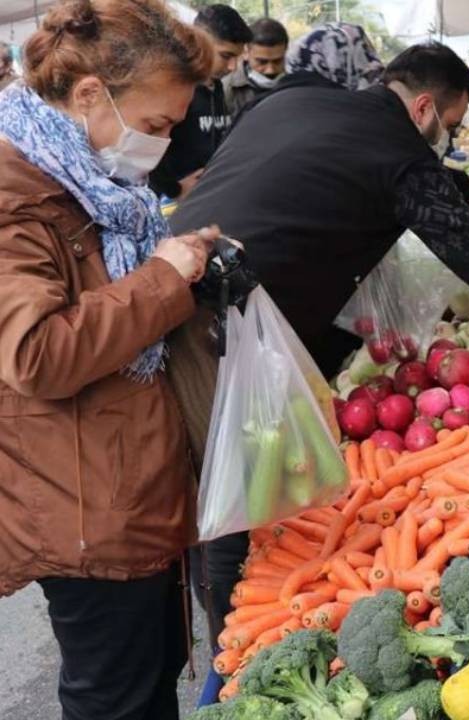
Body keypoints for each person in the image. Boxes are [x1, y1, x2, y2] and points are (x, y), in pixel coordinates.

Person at [170, 43, 469, 647]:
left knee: (202, 481)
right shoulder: (397, 151)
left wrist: (452, 183)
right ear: (423, 108)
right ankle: (232, 650)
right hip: (221, 321)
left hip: (169, 278)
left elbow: (319, 170)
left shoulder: (298, 98)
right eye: (452, 125)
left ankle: (223, 619)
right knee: (236, 488)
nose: (448, 138)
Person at [0, 0, 222, 717]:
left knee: (148, 682)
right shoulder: (17, 193)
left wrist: (190, 270)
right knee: (116, 697)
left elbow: (110, 293)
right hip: (83, 503)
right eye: (155, 126)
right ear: (91, 94)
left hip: (129, 484)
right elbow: (36, 353)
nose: (160, 145)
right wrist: (164, 278)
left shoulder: (92, 180)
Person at [148, 3, 249, 200]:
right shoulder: (172, 87)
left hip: (207, 197)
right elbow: (145, 148)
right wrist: (174, 189)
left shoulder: (217, 87)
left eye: (237, 57)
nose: (233, 67)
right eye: (226, 56)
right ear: (198, 40)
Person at [223, 17, 288, 117]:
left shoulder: (296, 85)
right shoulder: (228, 89)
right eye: (262, 62)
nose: (270, 70)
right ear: (246, 53)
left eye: (277, 61)